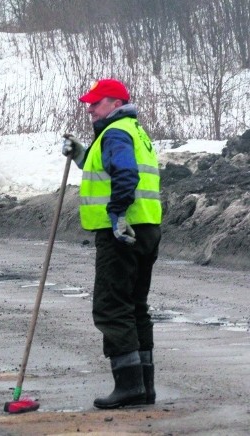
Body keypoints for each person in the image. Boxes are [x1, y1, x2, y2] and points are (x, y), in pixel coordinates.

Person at [62, 78, 162, 409]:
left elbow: (125, 174)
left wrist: (117, 213)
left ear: (115, 104)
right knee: (135, 307)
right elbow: (108, 167)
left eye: (96, 103)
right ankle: (144, 386)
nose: (89, 109)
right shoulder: (134, 132)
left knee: (112, 306)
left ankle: (129, 387)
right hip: (146, 227)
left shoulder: (116, 132)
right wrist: (81, 155)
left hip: (121, 231)